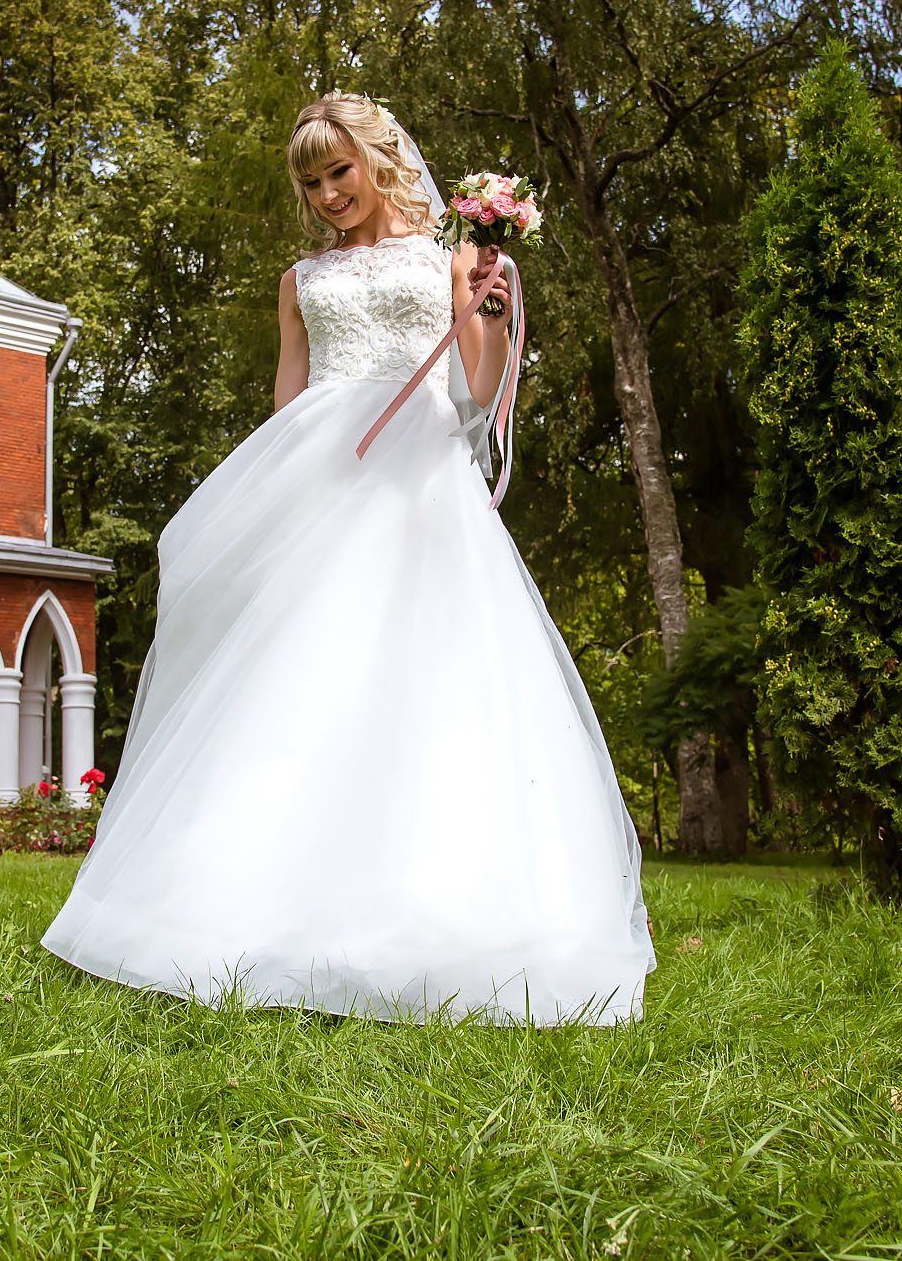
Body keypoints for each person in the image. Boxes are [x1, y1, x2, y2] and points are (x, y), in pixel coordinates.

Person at [41, 93, 657, 1025]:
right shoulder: (300, 280)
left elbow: (474, 395)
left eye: (341, 171)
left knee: (428, 681)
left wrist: (484, 311)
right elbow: (290, 400)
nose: (329, 192)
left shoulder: (451, 253)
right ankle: (241, 909)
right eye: (312, 180)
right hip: (323, 481)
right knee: (295, 682)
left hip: (420, 487)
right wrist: (270, 506)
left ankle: (428, 910)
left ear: (377, 162)